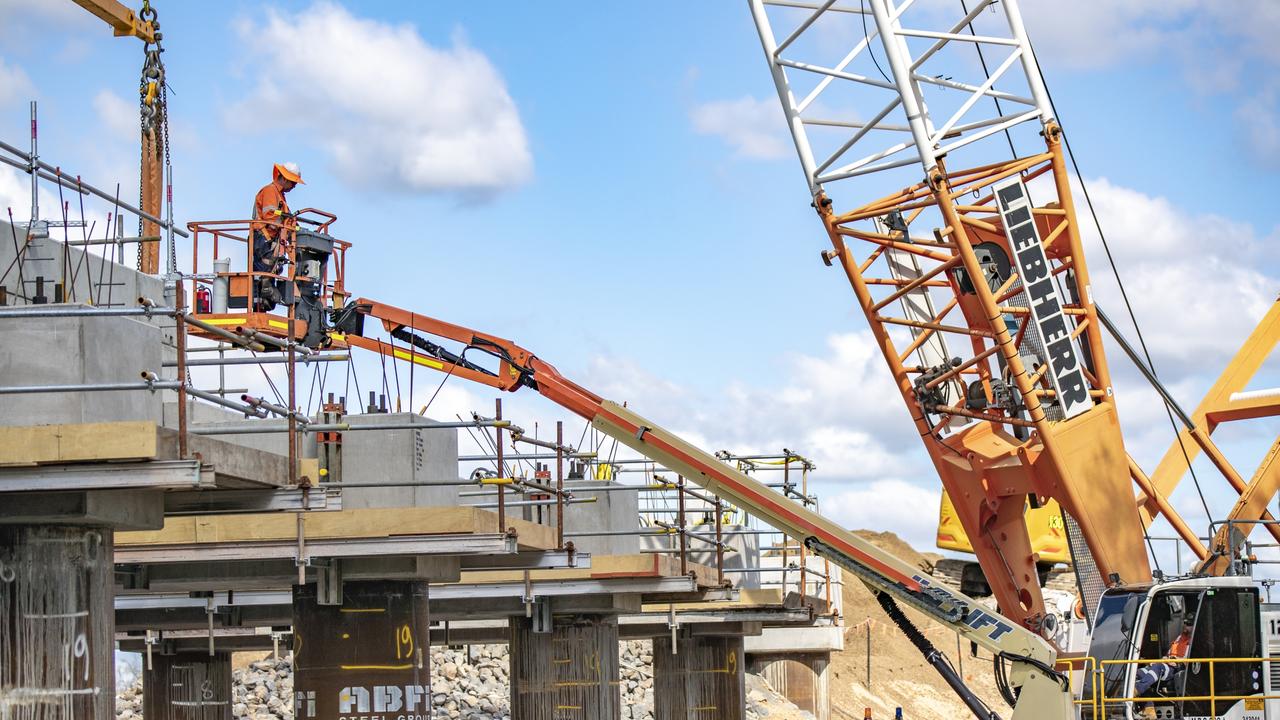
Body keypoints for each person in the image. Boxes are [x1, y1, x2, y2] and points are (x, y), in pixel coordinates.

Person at [250, 162, 304, 309]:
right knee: (262, 275)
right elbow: (270, 217)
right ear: (284, 178)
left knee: (268, 274)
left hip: (271, 240)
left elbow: (283, 219)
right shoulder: (269, 191)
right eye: (293, 182)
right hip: (263, 239)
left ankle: (264, 300)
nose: (294, 186)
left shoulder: (279, 195)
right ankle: (261, 299)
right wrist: (287, 227)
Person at [1134, 616, 1194, 703]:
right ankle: (1148, 708)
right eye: (1184, 623)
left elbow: (1189, 661)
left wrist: (1174, 660)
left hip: (1176, 669)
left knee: (1158, 668)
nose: (1185, 625)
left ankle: (1137, 690)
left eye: (1188, 624)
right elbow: (1168, 655)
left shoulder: (1194, 641)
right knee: (1137, 673)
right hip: (1167, 664)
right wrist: (1162, 659)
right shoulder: (1179, 638)